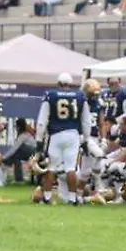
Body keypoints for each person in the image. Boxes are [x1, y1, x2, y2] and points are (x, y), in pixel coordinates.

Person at [35, 72, 93, 205]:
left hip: (55, 135)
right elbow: (86, 121)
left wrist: (39, 139)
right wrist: (86, 139)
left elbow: (42, 120)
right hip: (73, 135)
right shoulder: (80, 96)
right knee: (70, 168)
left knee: (52, 167)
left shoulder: (50, 95)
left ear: (58, 83)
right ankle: (72, 198)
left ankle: (47, 197)